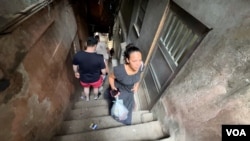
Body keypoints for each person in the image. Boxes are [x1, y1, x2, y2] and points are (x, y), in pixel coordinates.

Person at [107, 44, 143, 125]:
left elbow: (139, 74)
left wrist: (136, 85)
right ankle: (119, 118)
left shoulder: (140, 66)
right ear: (127, 60)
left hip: (130, 91)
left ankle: (126, 120)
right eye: (134, 61)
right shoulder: (119, 70)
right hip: (121, 90)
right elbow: (111, 78)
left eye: (140, 60)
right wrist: (113, 88)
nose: (138, 64)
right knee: (119, 107)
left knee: (128, 107)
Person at [72, 37, 106, 101]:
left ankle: (87, 98)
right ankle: (96, 97)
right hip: (95, 78)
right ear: (95, 45)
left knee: (86, 87)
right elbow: (103, 71)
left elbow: (74, 66)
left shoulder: (78, 55)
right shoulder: (100, 57)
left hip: (83, 78)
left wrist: (76, 72)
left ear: (86, 44)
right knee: (96, 88)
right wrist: (102, 74)